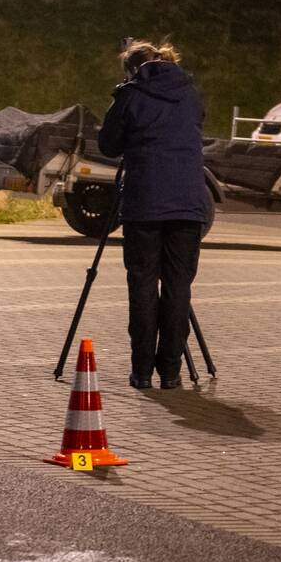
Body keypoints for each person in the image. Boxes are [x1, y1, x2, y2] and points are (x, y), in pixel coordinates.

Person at [98, 40, 208, 390]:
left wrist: (121, 100)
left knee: (143, 285)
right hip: (189, 204)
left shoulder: (130, 95)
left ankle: (142, 372)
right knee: (178, 287)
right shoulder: (189, 93)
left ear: (132, 69)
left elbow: (108, 145)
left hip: (144, 204)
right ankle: (171, 373)